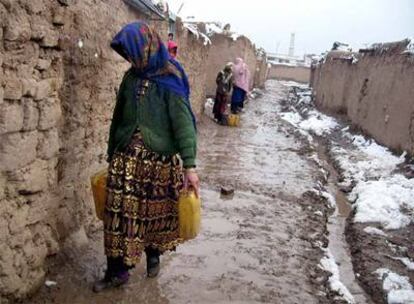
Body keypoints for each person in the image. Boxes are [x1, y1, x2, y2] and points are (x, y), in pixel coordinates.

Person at [93, 21, 199, 292]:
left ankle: (153, 254)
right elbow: (118, 118)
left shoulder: (170, 78)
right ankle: (117, 271)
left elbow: (183, 124)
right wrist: (111, 151)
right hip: (125, 161)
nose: (130, 59)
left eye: (132, 52)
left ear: (145, 46)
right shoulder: (131, 77)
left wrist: (190, 165)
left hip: (158, 165)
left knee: (154, 216)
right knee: (116, 217)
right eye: (127, 55)